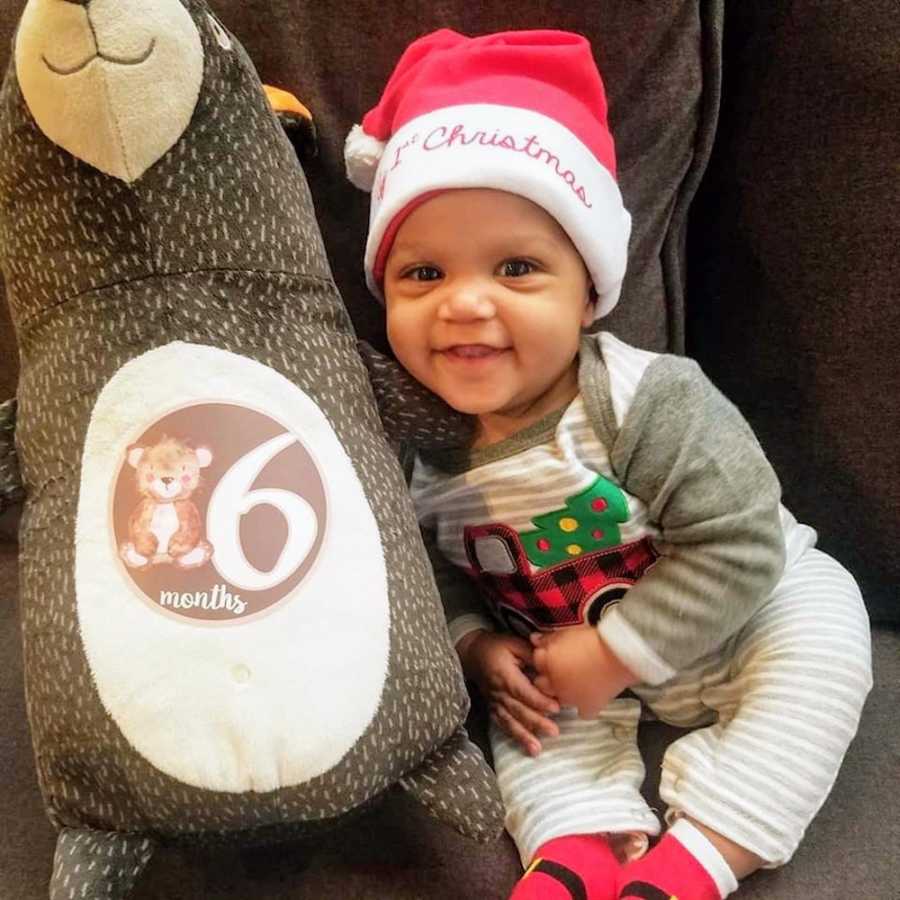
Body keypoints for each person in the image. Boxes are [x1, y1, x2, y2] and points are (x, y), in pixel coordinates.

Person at [344, 29, 872, 900]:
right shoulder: (408, 449)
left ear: (587, 292)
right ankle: (575, 853)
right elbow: (425, 579)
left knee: (824, 650)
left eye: (517, 268)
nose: (465, 301)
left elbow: (742, 545)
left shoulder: (645, 400)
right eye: (423, 272)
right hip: (566, 659)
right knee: (524, 727)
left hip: (752, 613)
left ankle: (702, 857)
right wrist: (477, 649)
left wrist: (619, 650)